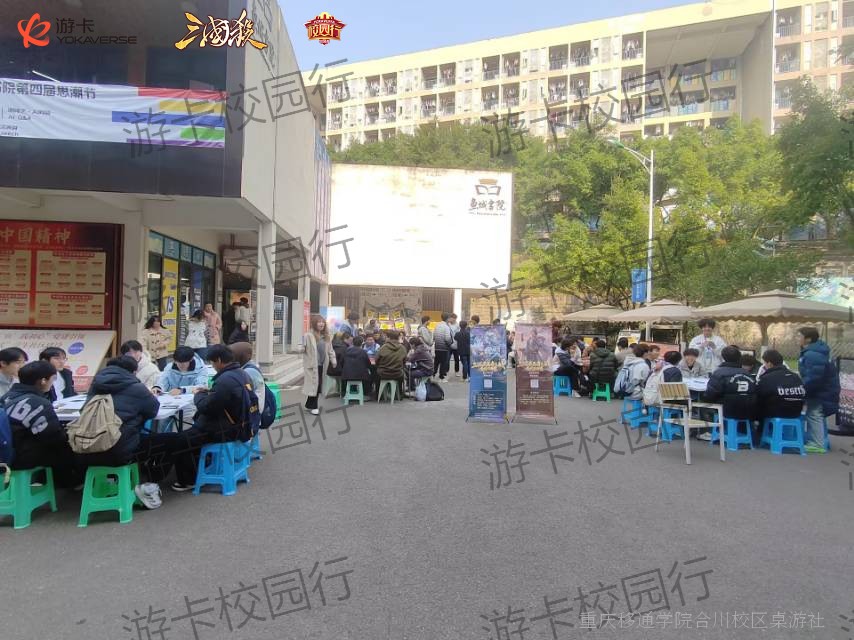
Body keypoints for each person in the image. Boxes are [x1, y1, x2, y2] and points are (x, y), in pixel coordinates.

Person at [152, 345, 256, 491]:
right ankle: (197, 469)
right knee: (184, 436)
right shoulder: (241, 374)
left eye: (213, 362)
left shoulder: (225, 380)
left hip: (225, 428)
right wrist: (210, 392)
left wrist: (199, 394)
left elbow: (206, 407)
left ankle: (185, 480)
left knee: (180, 439)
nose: (213, 366)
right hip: (239, 424)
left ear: (219, 360)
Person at [75, 356, 160, 471]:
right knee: (172, 440)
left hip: (86, 448)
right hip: (119, 451)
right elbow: (152, 411)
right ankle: (151, 476)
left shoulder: (96, 385)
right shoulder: (137, 387)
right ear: (134, 372)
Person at [2, 361, 77, 487]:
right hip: (19, 457)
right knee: (66, 447)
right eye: (52, 379)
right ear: (43, 381)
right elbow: (54, 437)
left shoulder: (6, 397)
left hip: (6, 452)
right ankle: (68, 483)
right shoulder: (38, 403)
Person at [701, 345, 758, 441]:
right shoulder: (747, 373)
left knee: (703, 405)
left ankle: (708, 432)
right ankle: (744, 433)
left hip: (728, 410)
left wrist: (705, 398)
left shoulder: (719, 373)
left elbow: (710, 394)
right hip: (748, 410)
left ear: (723, 357)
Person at [797, 327, 840, 452]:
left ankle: (817, 444)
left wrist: (803, 390)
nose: (797, 339)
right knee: (813, 414)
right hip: (823, 389)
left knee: (815, 414)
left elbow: (814, 377)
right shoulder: (814, 352)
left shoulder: (812, 354)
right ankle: (816, 441)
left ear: (808, 339)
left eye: (799, 336)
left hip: (821, 391)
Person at [756, 349, 806, 446]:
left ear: (769, 363)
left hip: (777, 412)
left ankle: (759, 435)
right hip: (796, 412)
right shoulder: (795, 377)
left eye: (765, 363)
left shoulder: (767, 378)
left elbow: (759, 395)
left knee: (757, 406)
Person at [297, 314, 336, 415]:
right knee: (316, 386)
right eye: (319, 322)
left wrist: (333, 360)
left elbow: (330, 350)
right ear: (314, 324)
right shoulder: (308, 335)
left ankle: (309, 404)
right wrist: (300, 348)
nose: (321, 324)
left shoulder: (326, 336)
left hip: (322, 365)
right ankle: (314, 407)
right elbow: (301, 346)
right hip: (312, 366)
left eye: (323, 322)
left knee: (316, 386)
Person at [230, 342, 265, 414]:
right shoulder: (249, 368)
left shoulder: (249, 372)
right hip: (254, 412)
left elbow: (242, 394)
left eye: (233, 356)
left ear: (241, 356)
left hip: (253, 414)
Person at [376, 330, 407, 397]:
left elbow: (377, 360)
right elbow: (404, 361)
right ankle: (399, 394)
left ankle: (378, 394)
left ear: (389, 338)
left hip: (383, 373)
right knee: (402, 375)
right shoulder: (402, 348)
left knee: (376, 374)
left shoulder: (383, 347)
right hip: (397, 373)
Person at [432, 312, 454, 381]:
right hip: (444, 348)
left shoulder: (437, 325)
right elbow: (447, 338)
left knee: (436, 362)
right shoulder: (446, 327)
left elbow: (434, 336)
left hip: (437, 347)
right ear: (447, 319)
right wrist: (450, 343)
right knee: (443, 363)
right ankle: (441, 377)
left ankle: (433, 375)